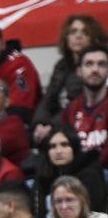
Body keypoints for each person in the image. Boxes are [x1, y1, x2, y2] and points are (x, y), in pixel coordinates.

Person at [34, 15, 106, 143]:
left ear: (94, 38)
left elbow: (79, 105)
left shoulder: (97, 69)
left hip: (80, 125)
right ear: (66, 37)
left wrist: (51, 127)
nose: (78, 36)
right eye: (73, 32)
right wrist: (39, 123)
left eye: (85, 32)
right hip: (56, 123)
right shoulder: (61, 66)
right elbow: (48, 99)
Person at [34, 124, 108, 218]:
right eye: (52, 146)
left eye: (64, 145)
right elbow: (37, 212)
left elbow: (92, 213)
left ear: (74, 147)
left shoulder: (89, 174)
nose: (58, 151)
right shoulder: (44, 174)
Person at [62, 44, 108, 167]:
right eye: (89, 64)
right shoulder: (70, 110)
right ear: (79, 71)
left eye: (101, 64)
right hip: (77, 176)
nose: (95, 69)